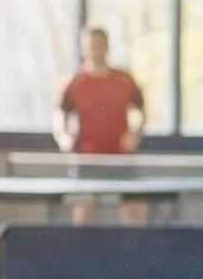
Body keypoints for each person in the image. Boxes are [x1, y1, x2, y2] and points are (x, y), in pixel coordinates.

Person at [52, 25, 147, 225]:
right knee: (84, 213)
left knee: (133, 211)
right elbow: (59, 114)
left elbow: (140, 111)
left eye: (99, 45)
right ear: (84, 48)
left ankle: (137, 254)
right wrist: (64, 138)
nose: (95, 50)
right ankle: (82, 253)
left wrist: (135, 133)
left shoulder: (124, 79)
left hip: (121, 158)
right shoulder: (75, 82)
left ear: (107, 47)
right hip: (87, 158)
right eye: (91, 46)